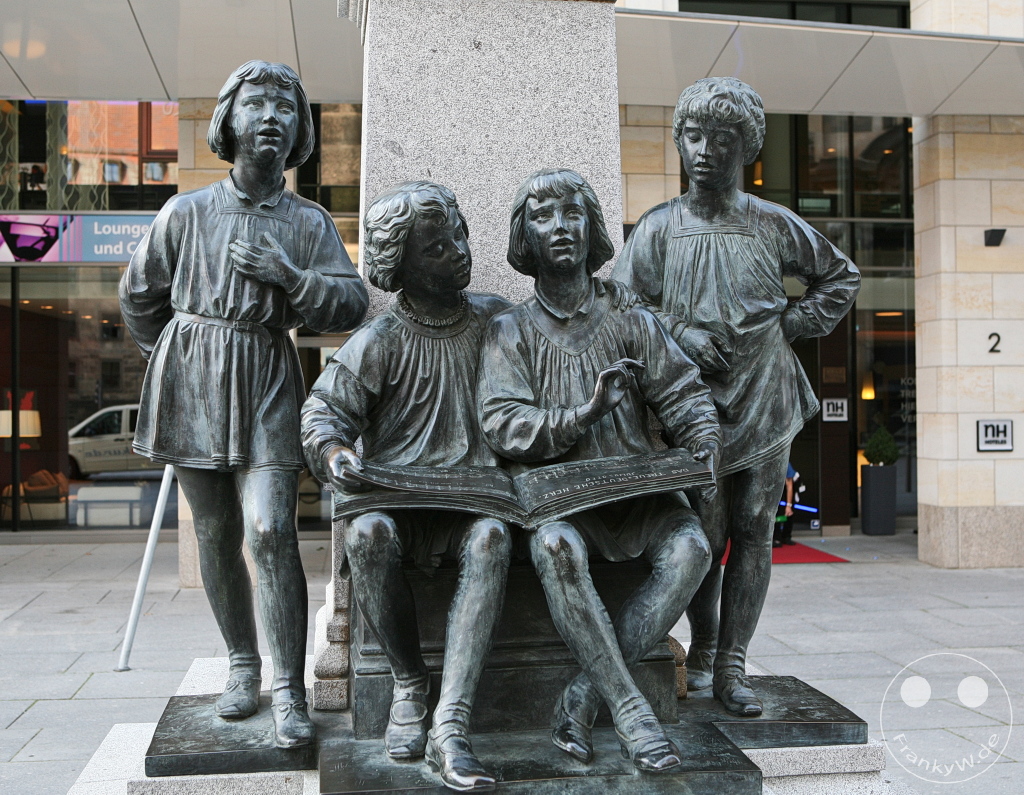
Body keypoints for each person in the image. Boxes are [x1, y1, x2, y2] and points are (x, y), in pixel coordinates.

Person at [119, 60, 368, 748]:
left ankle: (288, 687)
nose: (271, 118)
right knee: (213, 534)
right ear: (227, 121)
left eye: (286, 108)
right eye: (256, 104)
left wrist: (291, 278)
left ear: (300, 133)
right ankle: (241, 663)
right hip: (194, 377)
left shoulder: (308, 220)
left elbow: (351, 301)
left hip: (266, 375)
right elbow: (138, 297)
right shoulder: (185, 213)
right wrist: (175, 358)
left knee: (269, 529)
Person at [611, 77, 860, 717]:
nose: (705, 151)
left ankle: (733, 662)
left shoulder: (772, 224)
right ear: (679, 142)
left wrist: (791, 324)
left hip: (766, 393)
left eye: (722, 140)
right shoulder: (660, 229)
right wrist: (680, 332)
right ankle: (705, 642)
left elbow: (840, 275)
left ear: (744, 148)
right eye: (693, 136)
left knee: (753, 529)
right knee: (702, 527)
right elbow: (625, 306)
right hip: (691, 401)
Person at [477, 168, 720, 773]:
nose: (560, 227)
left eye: (572, 213)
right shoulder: (509, 331)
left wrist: (703, 437)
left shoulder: (632, 318)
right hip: (562, 503)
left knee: (693, 546)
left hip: (638, 494)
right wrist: (581, 414)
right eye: (543, 216)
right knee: (554, 548)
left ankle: (584, 695)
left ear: (592, 228)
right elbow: (501, 421)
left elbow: (684, 391)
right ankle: (632, 713)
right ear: (524, 238)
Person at [301, 181, 512, 792]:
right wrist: (336, 454)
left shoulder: (497, 320)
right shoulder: (381, 340)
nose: (458, 250)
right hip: (400, 499)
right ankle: (409, 683)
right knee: (365, 535)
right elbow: (323, 413)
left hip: (476, 500)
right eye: (437, 247)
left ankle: (454, 717)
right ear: (402, 266)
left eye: (459, 235)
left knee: (492, 540)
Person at [773, 463, 797, 548]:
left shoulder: (785, 464)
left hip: (783, 493)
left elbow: (789, 486)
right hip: (772, 493)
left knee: (787, 514)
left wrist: (789, 505)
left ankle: (786, 537)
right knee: (775, 517)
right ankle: (776, 537)